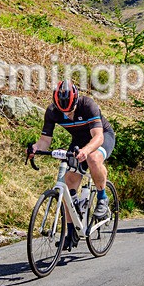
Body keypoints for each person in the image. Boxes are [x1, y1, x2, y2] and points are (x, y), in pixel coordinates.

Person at [28, 80, 116, 250]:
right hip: (79, 141)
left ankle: (103, 198)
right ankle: (71, 232)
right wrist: (35, 148)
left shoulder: (87, 105)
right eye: (64, 112)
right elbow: (45, 140)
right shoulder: (53, 111)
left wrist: (86, 151)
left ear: (76, 102)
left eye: (71, 111)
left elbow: (98, 137)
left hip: (102, 137)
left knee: (93, 159)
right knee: (68, 183)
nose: (67, 114)